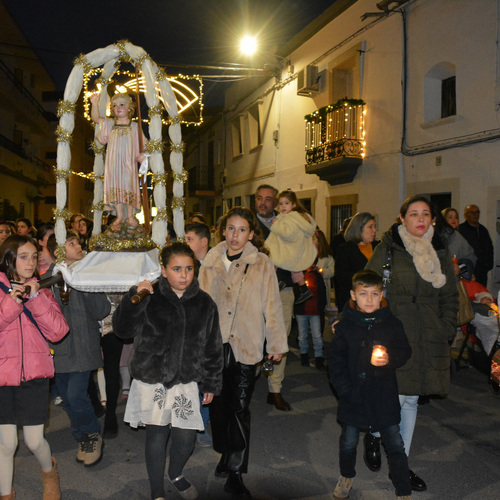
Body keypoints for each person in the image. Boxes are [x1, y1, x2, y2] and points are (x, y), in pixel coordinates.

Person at [113, 242, 223, 500]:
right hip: (154, 380)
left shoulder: (205, 303)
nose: (184, 275)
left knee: (186, 439)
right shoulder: (149, 298)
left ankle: (175, 472)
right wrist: (133, 300)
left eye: (188, 268)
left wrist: (210, 382)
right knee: (157, 436)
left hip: (186, 380)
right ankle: (157, 491)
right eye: (176, 269)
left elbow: (212, 347)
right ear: (163, 270)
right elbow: (123, 330)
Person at [365, 196, 458, 492]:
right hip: (395, 333)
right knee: (398, 397)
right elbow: (366, 284)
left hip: (428, 334)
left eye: (425, 214)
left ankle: (400, 462)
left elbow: (450, 297)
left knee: (412, 399)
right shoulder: (388, 248)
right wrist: (349, 319)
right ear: (402, 219)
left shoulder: (439, 253)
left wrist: (445, 329)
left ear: (432, 220)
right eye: (413, 214)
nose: (420, 219)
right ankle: (376, 433)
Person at [199, 207, 288, 499]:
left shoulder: (261, 263)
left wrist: (276, 344)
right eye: (230, 229)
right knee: (218, 409)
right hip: (213, 346)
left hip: (246, 345)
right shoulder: (210, 262)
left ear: (251, 234)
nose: (235, 235)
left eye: (241, 230)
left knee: (239, 408)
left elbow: (272, 305)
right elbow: (199, 307)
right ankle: (225, 453)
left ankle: (235, 471)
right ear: (222, 230)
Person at [329, 270, 412, 500]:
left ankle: (403, 488)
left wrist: (389, 359)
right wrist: (345, 391)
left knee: (395, 443)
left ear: (381, 294)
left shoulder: (392, 324)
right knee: (348, 442)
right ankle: (346, 476)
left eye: (374, 294)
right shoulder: (345, 327)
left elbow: (404, 351)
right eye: (363, 294)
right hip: (353, 397)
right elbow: (335, 364)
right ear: (353, 295)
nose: (369, 299)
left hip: (383, 395)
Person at [0, 235, 69, 500]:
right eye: (23, 257)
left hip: (35, 375)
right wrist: (12, 302)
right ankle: (6, 494)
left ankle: (49, 471)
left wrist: (34, 297)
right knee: (6, 444)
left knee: (34, 441)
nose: (31, 263)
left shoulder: (44, 291)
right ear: (9, 259)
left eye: (34, 257)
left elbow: (59, 331)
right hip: (3, 376)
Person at [46, 232, 111, 467]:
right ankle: (82, 437)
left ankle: (92, 434)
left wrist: (84, 287)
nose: (79, 246)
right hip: (59, 349)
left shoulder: (88, 275)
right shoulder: (48, 279)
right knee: (68, 400)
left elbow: (102, 309)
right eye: (71, 243)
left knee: (76, 395)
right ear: (58, 252)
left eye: (78, 243)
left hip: (84, 347)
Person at [254, 185, 293, 411]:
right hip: (257, 291)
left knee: (281, 340)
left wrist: (298, 268)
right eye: (260, 198)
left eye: (268, 199)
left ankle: (275, 389)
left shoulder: (288, 223)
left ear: (275, 203)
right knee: (256, 337)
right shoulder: (248, 226)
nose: (263, 203)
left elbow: (303, 247)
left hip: (284, 288)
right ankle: (251, 376)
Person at [90, 92, 147, 231]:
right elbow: (96, 118)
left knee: (128, 185)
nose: (118, 108)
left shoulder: (134, 126)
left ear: (129, 108)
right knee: (116, 186)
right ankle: (120, 216)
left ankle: (130, 216)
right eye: (115, 105)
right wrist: (94, 103)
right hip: (114, 162)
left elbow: (143, 144)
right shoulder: (110, 123)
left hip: (128, 162)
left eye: (122, 105)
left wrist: (143, 155)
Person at [185, 222, 213, 447]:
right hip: (190, 330)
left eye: (189, 238)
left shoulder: (216, 265)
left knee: (206, 381)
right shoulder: (184, 266)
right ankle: (192, 425)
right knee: (191, 379)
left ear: (204, 242)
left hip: (210, 329)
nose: (185, 243)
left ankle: (203, 423)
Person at [265, 190, 317, 305]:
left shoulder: (291, 217)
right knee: (295, 270)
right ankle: (303, 289)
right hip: (296, 252)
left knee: (275, 261)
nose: (283, 206)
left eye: (286, 203)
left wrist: (275, 225)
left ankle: (280, 281)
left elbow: (289, 234)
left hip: (289, 252)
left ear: (294, 204)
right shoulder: (300, 217)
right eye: (281, 203)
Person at [334, 212, 378, 313]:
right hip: (353, 302)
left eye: (374, 227)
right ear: (359, 228)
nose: (374, 230)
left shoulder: (378, 247)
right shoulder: (345, 249)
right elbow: (341, 277)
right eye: (370, 227)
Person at [294, 264, 327, 370]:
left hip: (315, 310)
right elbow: (295, 292)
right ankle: (304, 356)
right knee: (302, 335)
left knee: (317, 336)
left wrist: (322, 306)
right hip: (302, 310)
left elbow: (322, 291)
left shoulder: (317, 275)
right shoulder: (299, 275)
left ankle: (319, 358)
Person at [458, 204, 494, 287]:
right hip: (467, 270)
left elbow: (489, 248)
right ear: (466, 215)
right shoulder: (461, 229)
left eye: (477, 212)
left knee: (481, 293)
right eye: (471, 213)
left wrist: (488, 265)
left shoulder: (483, 230)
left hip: (482, 270)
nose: (475, 215)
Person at [440, 208, 476, 280]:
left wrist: (467, 269)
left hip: (454, 279)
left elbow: (470, 255)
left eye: (456, 217)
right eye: (450, 217)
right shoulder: (437, 235)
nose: (454, 220)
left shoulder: (457, 236)